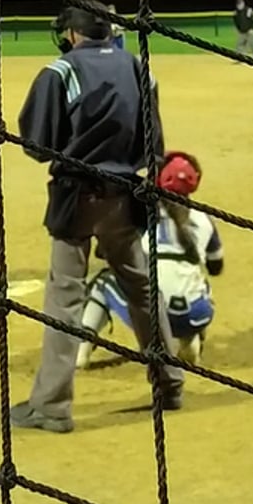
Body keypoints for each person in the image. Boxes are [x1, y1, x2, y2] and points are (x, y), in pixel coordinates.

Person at [9, 5, 184, 433]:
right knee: (141, 286)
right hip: (125, 196)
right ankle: (170, 382)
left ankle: (51, 406)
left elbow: (36, 144)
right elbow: (154, 147)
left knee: (65, 297)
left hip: (77, 197)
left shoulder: (61, 71)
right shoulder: (139, 68)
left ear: (73, 34)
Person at [75, 152, 222, 371]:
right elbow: (216, 266)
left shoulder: (139, 213)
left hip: (151, 319)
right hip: (193, 316)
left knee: (103, 282)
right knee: (200, 284)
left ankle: (81, 350)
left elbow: (105, 253)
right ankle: (189, 339)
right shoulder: (204, 218)